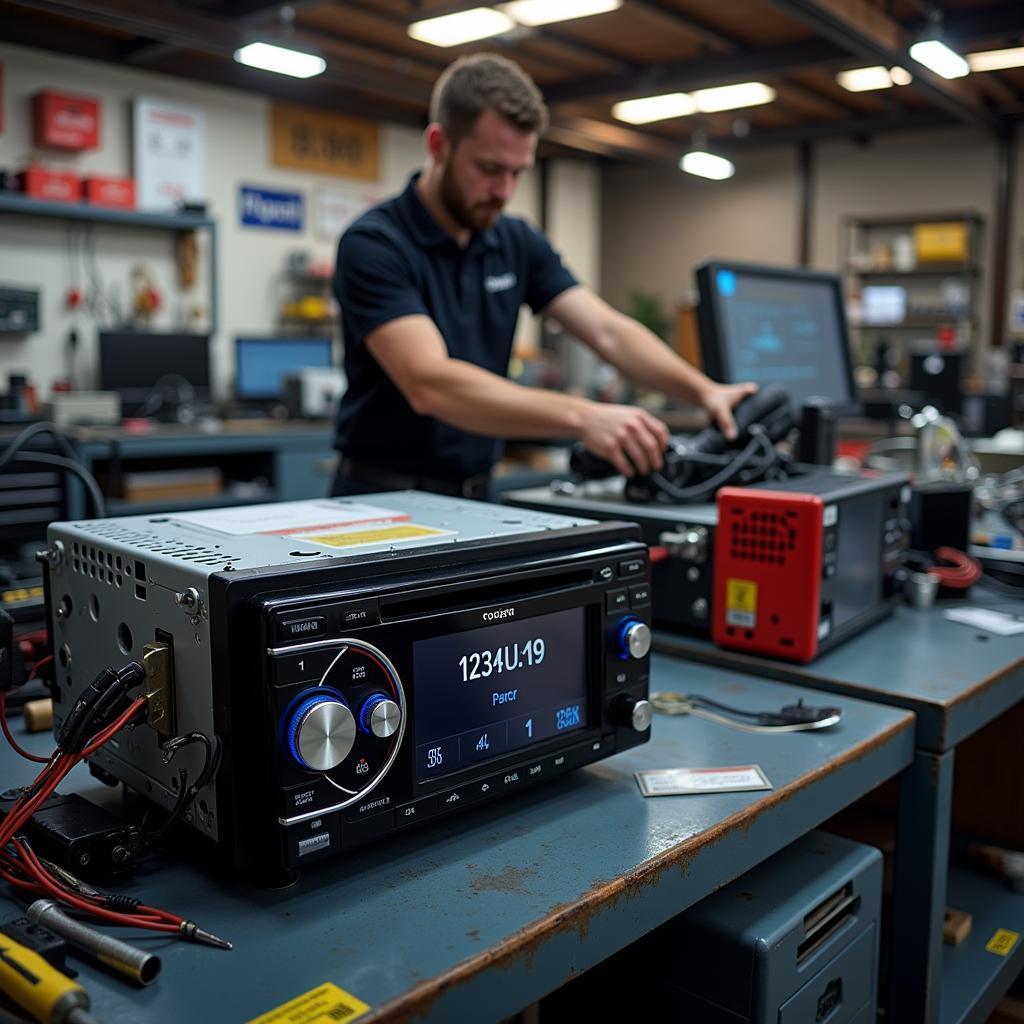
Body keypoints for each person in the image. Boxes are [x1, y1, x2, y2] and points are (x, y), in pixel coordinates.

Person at [331, 52, 755, 499]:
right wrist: (583, 416)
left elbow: (608, 331)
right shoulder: (376, 243)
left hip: (475, 494)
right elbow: (430, 383)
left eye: (518, 172)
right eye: (490, 169)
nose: (505, 192)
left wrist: (706, 392)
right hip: (380, 496)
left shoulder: (514, 241)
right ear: (438, 146)